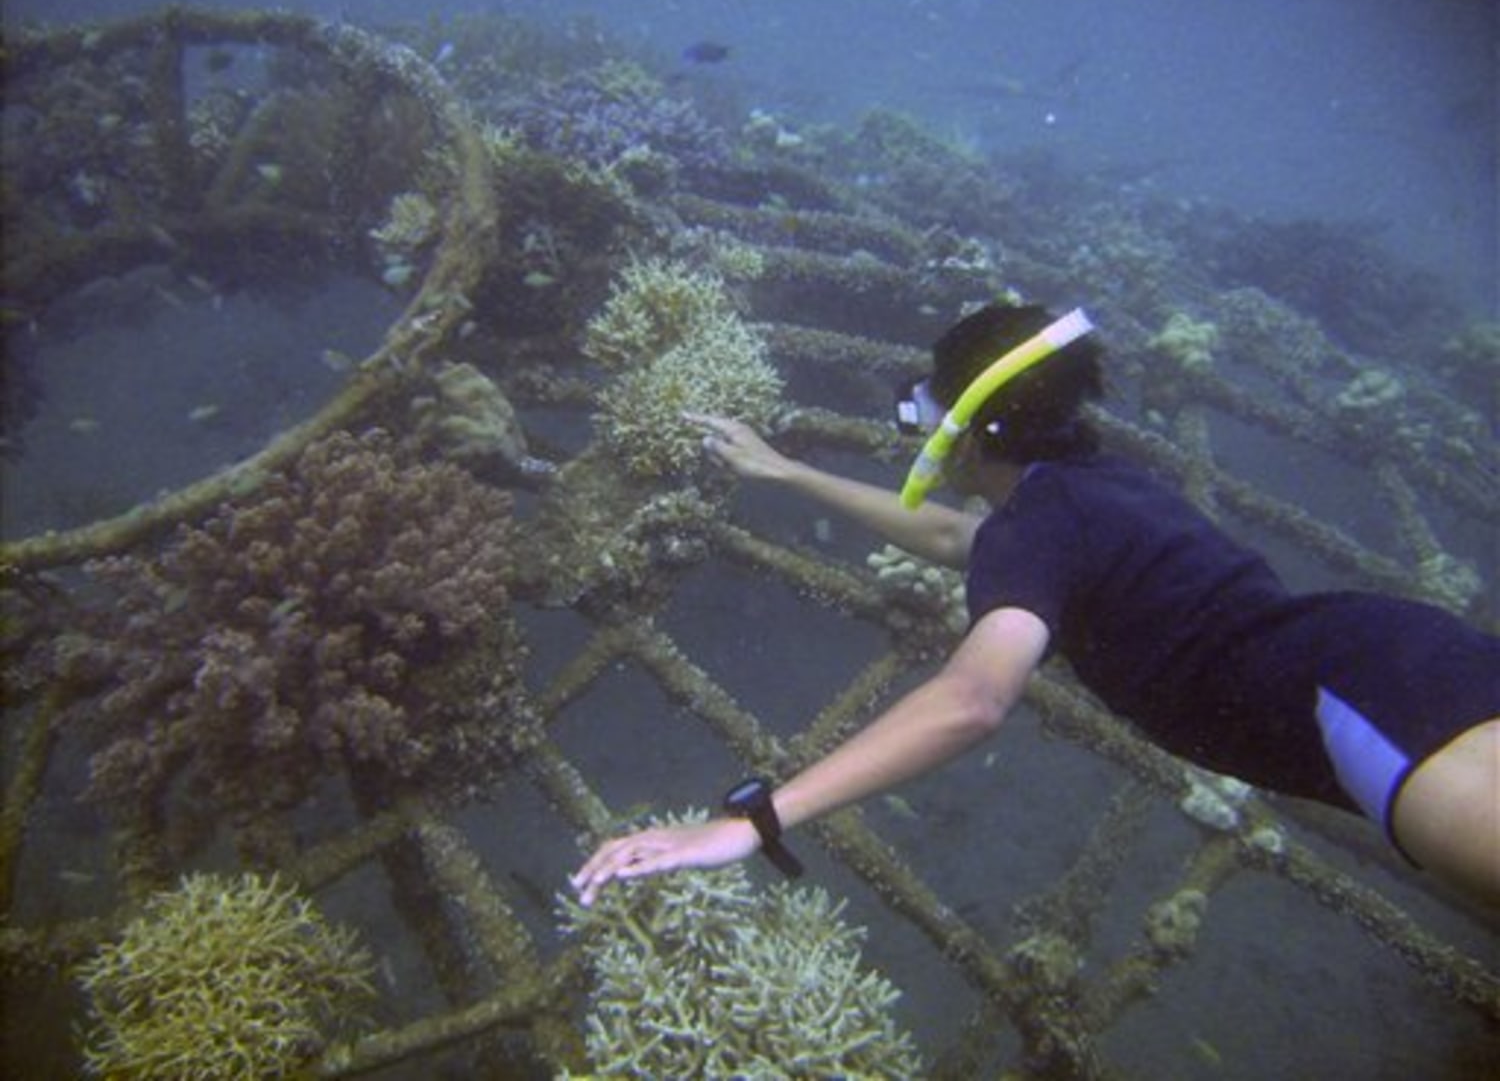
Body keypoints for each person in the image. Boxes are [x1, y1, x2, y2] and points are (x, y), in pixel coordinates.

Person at [571, 303, 1500, 906]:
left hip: (1366, 706)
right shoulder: (1089, 489)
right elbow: (954, 540)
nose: (917, 434)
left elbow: (974, 699)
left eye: (923, 412)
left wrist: (749, 823)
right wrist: (783, 471)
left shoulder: (1039, 523)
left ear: (970, 429)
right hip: (1402, 660)